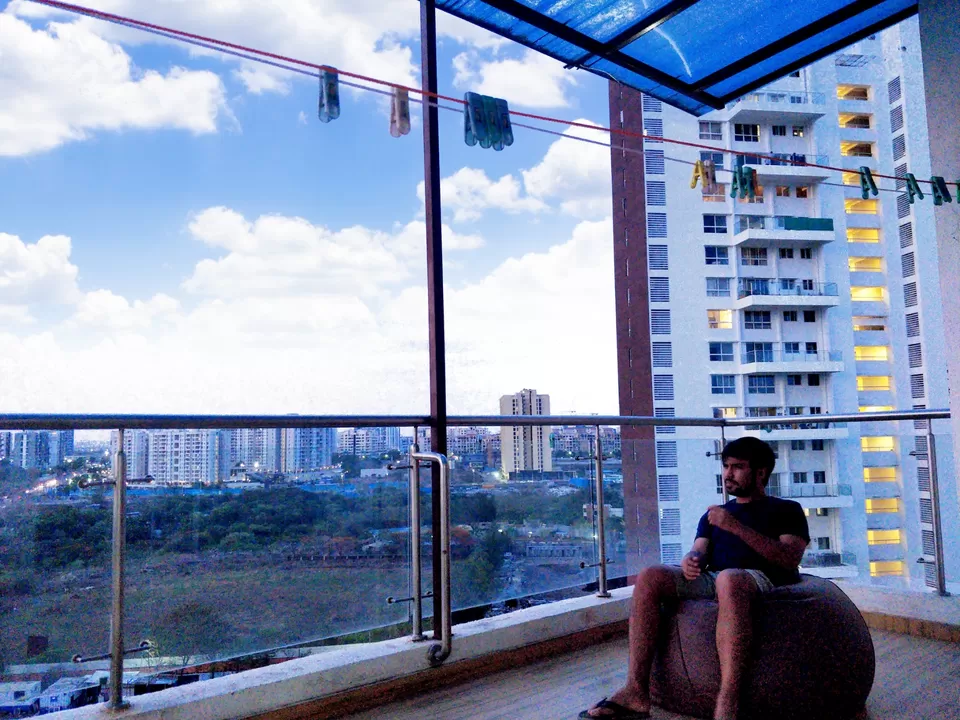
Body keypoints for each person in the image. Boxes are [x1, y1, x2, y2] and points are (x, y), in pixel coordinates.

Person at [580, 436, 810, 720]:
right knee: (650, 575)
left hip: (761, 580)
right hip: (715, 578)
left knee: (730, 579)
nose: (728, 474)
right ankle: (636, 691)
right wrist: (691, 561)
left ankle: (728, 701)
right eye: (725, 466)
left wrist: (736, 528)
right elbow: (699, 550)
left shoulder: (785, 509)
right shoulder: (715, 515)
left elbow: (789, 557)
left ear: (761, 472)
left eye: (737, 467)